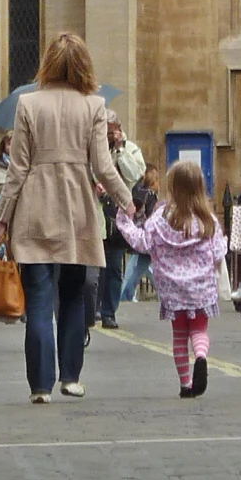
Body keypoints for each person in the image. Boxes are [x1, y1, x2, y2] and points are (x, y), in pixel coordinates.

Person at [0, 30, 132, 404]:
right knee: (73, 296)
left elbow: (17, 168)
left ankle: (41, 386)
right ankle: (70, 377)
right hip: (77, 210)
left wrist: (3, 216)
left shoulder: (28, 104)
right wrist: (126, 200)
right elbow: (103, 167)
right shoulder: (93, 106)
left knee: (39, 299)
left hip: (35, 208)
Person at [116, 159, 228, 398]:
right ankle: (201, 357)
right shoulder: (208, 221)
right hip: (200, 288)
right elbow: (218, 253)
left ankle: (186, 385)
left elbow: (142, 242)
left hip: (173, 289)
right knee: (199, 330)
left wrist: (125, 220)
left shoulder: (160, 220)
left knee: (179, 336)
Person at [95, 113, 147, 329]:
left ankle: (109, 311)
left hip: (117, 214)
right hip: (96, 211)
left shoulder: (131, 149)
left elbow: (135, 174)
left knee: (114, 265)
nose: (107, 134)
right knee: (95, 265)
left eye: (110, 130)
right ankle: (94, 307)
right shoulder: (95, 147)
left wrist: (119, 150)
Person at [119, 165, 159, 302]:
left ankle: (126, 294)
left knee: (140, 266)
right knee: (140, 266)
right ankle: (126, 294)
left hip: (136, 232)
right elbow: (151, 215)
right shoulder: (151, 195)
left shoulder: (137, 191)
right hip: (146, 234)